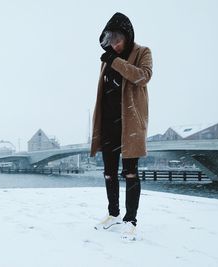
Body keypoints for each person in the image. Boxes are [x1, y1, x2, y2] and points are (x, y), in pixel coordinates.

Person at [90, 12, 153, 241]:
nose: (114, 46)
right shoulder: (108, 60)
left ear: (127, 36)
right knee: (108, 172)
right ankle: (113, 214)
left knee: (130, 172)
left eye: (118, 40)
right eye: (110, 42)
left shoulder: (142, 52)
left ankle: (130, 220)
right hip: (108, 123)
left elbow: (143, 77)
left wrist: (115, 62)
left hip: (130, 125)